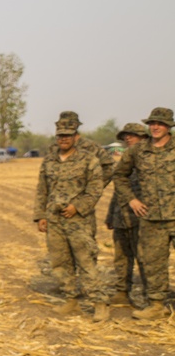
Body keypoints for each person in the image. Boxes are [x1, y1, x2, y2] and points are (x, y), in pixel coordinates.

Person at [33, 122, 107, 320]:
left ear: (76, 136)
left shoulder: (88, 160)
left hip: (78, 221)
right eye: (60, 136)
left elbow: (95, 189)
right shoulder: (49, 161)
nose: (63, 139)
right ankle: (71, 300)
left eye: (68, 135)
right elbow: (42, 190)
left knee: (86, 263)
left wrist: (78, 206)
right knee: (60, 262)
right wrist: (41, 215)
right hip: (54, 220)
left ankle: (99, 304)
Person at [113, 107, 175, 320]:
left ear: (169, 126)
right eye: (152, 123)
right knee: (152, 263)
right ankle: (157, 305)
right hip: (150, 218)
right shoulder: (138, 150)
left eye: (161, 123)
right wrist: (132, 199)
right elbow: (120, 175)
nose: (156, 127)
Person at [105, 123, 149, 309]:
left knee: (146, 258)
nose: (127, 139)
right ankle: (122, 292)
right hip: (122, 217)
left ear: (143, 138)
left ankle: (151, 297)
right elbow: (118, 192)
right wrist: (110, 215)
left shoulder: (150, 161)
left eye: (132, 135)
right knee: (121, 257)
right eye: (125, 136)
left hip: (143, 220)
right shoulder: (125, 162)